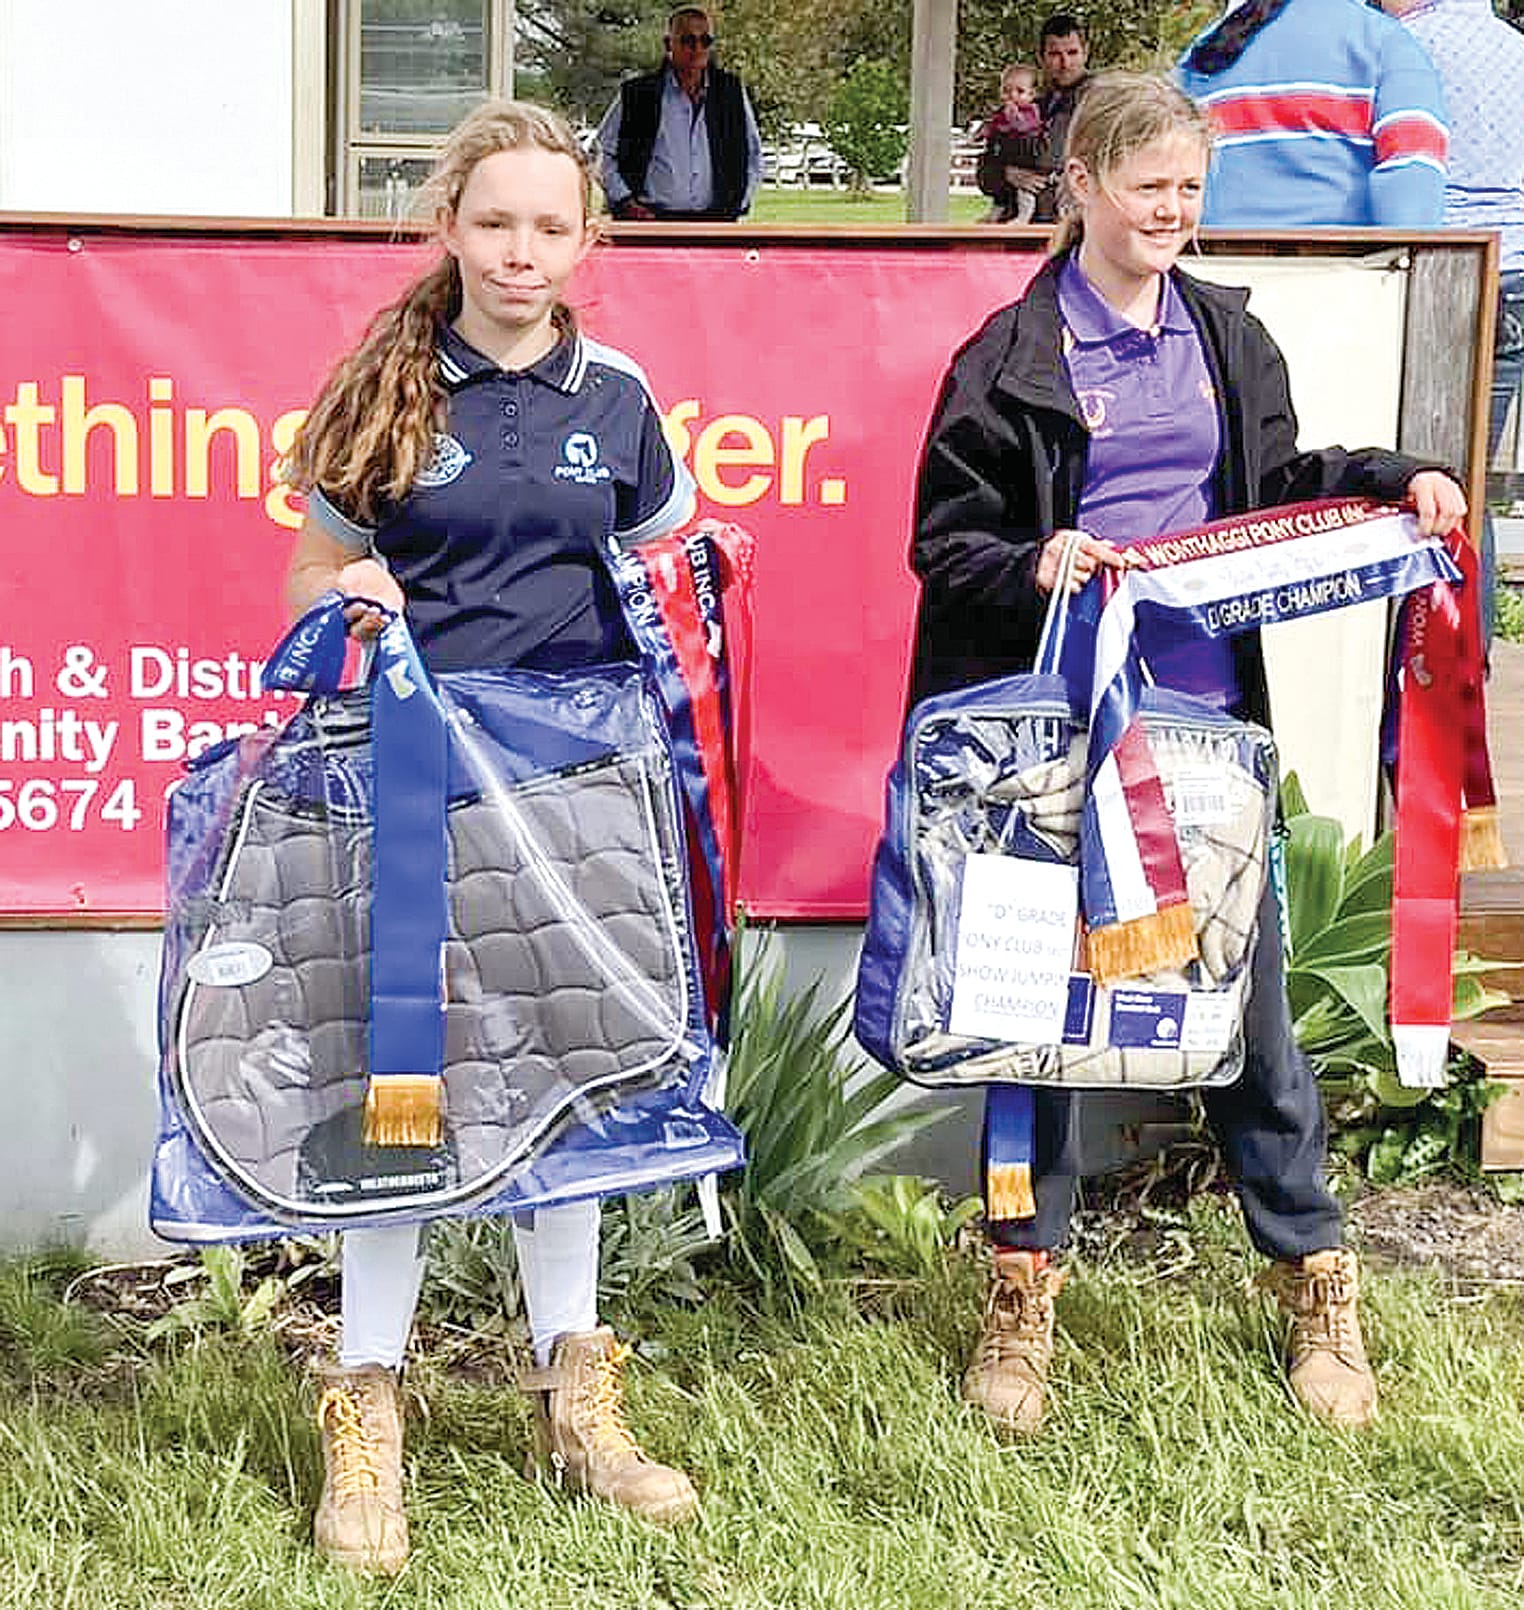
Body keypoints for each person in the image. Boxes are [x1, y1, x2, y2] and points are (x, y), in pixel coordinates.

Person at [910, 71, 1467, 1437]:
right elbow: (943, 544)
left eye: (1190, 193)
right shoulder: (1005, 357)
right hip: (1058, 738)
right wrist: (1037, 559)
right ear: (1083, 183)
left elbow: (1276, 487)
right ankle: (1020, 1292)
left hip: (1206, 731)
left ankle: (1313, 1277)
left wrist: (1400, 477)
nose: (1172, 212)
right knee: (1037, 1026)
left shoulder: (1228, 335)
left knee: (1250, 1017)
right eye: (1149, 187)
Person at [281, 99, 702, 1574]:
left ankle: (574, 1396)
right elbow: (313, 565)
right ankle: (370, 1411)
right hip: (418, 794)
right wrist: (353, 594)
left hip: (581, 797)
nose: (523, 251)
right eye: (495, 221)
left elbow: (665, 573)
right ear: (450, 225)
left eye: (552, 225)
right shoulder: (386, 385)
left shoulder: (622, 396)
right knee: (407, 1101)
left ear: (588, 237)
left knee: (569, 1093)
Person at [1379, 0, 1524, 639]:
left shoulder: (1399, 48)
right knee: (1474, 479)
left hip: (1447, 279)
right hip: (1518, 272)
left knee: (1433, 477)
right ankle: (1474, 653)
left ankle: (1434, 656)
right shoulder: (1514, 47)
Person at [1176, 0, 1449, 227]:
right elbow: (1412, 182)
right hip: (1347, 273)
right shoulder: (1387, 44)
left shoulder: (1205, 50)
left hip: (1213, 269)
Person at [597, 6, 763, 221]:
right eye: (688, 40)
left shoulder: (731, 93)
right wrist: (624, 200)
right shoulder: (637, 94)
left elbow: (754, 155)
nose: (697, 48)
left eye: (705, 41)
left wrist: (740, 201)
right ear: (668, 44)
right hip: (649, 221)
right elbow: (601, 154)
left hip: (717, 223)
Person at [977, 64, 1048, 223]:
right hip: (1006, 158)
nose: (1012, 96)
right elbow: (994, 124)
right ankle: (996, 212)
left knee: (1025, 189)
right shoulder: (1001, 112)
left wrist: (1015, 117)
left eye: (1020, 91)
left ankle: (1024, 215)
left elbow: (1027, 127)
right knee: (1001, 192)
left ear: (1031, 94)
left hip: (1025, 159)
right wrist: (985, 130)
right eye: (1007, 91)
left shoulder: (1031, 111)